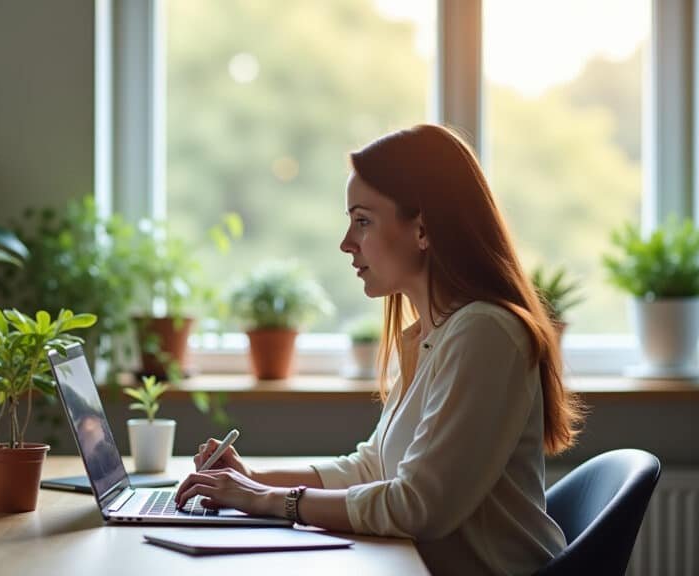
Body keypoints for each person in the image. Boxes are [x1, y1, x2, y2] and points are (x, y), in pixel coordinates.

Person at [174, 124, 583, 576]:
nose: (347, 243)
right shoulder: (434, 335)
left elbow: (418, 507)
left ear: (423, 228)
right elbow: (373, 468)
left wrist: (269, 501)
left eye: (363, 221)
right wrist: (251, 481)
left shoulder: (485, 334)